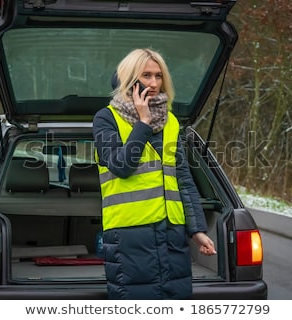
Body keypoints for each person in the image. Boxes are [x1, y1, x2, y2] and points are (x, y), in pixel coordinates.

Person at [93, 48, 216, 300]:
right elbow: (121, 166)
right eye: (146, 75)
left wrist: (197, 230)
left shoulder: (171, 121)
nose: (153, 83)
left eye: (158, 76)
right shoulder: (106, 118)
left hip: (172, 232)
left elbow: (182, 178)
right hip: (129, 234)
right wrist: (143, 123)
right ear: (130, 79)